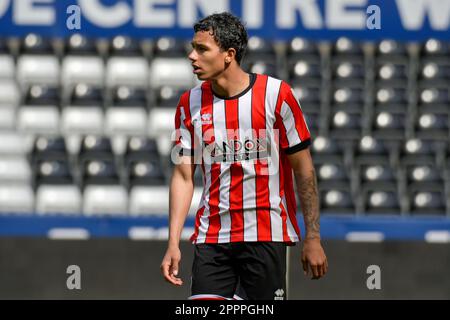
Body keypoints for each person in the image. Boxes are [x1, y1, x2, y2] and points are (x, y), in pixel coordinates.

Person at [160, 12, 327, 300]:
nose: (191, 56)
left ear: (229, 54)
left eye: (201, 49)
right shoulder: (189, 104)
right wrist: (173, 241)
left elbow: (304, 170)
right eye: (193, 47)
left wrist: (312, 236)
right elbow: (183, 176)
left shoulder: (277, 95)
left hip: (265, 236)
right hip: (213, 238)